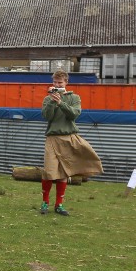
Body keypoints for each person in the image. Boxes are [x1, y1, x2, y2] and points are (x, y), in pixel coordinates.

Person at [40, 70, 103, 215]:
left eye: (60, 82)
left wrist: (61, 103)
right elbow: (47, 116)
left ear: (66, 82)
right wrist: (52, 101)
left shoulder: (74, 97)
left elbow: (74, 114)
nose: (57, 85)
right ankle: (45, 203)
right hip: (52, 138)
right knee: (49, 172)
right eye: (55, 82)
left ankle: (59, 205)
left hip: (69, 137)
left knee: (63, 173)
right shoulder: (48, 99)